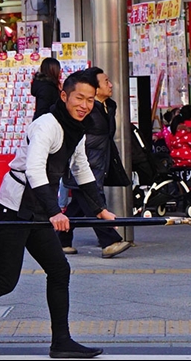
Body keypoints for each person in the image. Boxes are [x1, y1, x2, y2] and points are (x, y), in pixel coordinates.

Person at [0, 70, 114, 360]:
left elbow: (81, 168)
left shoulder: (78, 127)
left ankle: (61, 341)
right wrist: (54, 212)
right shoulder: (46, 125)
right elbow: (34, 170)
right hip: (14, 208)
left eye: (90, 100)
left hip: (38, 209)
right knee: (5, 281)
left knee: (59, 270)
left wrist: (100, 208)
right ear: (64, 96)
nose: (85, 105)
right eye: (79, 98)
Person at [59, 67, 130, 259]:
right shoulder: (86, 111)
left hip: (101, 163)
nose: (111, 85)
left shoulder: (108, 107)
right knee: (94, 202)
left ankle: (62, 240)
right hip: (84, 165)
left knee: (79, 206)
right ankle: (109, 241)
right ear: (95, 89)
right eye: (106, 81)